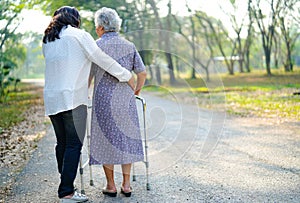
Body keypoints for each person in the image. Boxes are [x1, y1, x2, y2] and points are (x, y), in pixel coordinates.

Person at [42, 6, 134, 203]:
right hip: (73, 98)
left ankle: (66, 186)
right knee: (74, 144)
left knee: (63, 144)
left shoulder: (48, 39)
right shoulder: (79, 35)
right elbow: (102, 60)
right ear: (75, 19)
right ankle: (66, 191)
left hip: (52, 98)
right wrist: (126, 75)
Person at [89, 7, 147, 197]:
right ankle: (127, 184)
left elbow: (88, 76)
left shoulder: (95, 46)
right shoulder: (129, 45)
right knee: (126, 139)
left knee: (107, 141)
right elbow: (142, 72)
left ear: (100, 27)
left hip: (103, 100)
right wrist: (136, 90)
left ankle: (111, 185)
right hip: (125, 100)